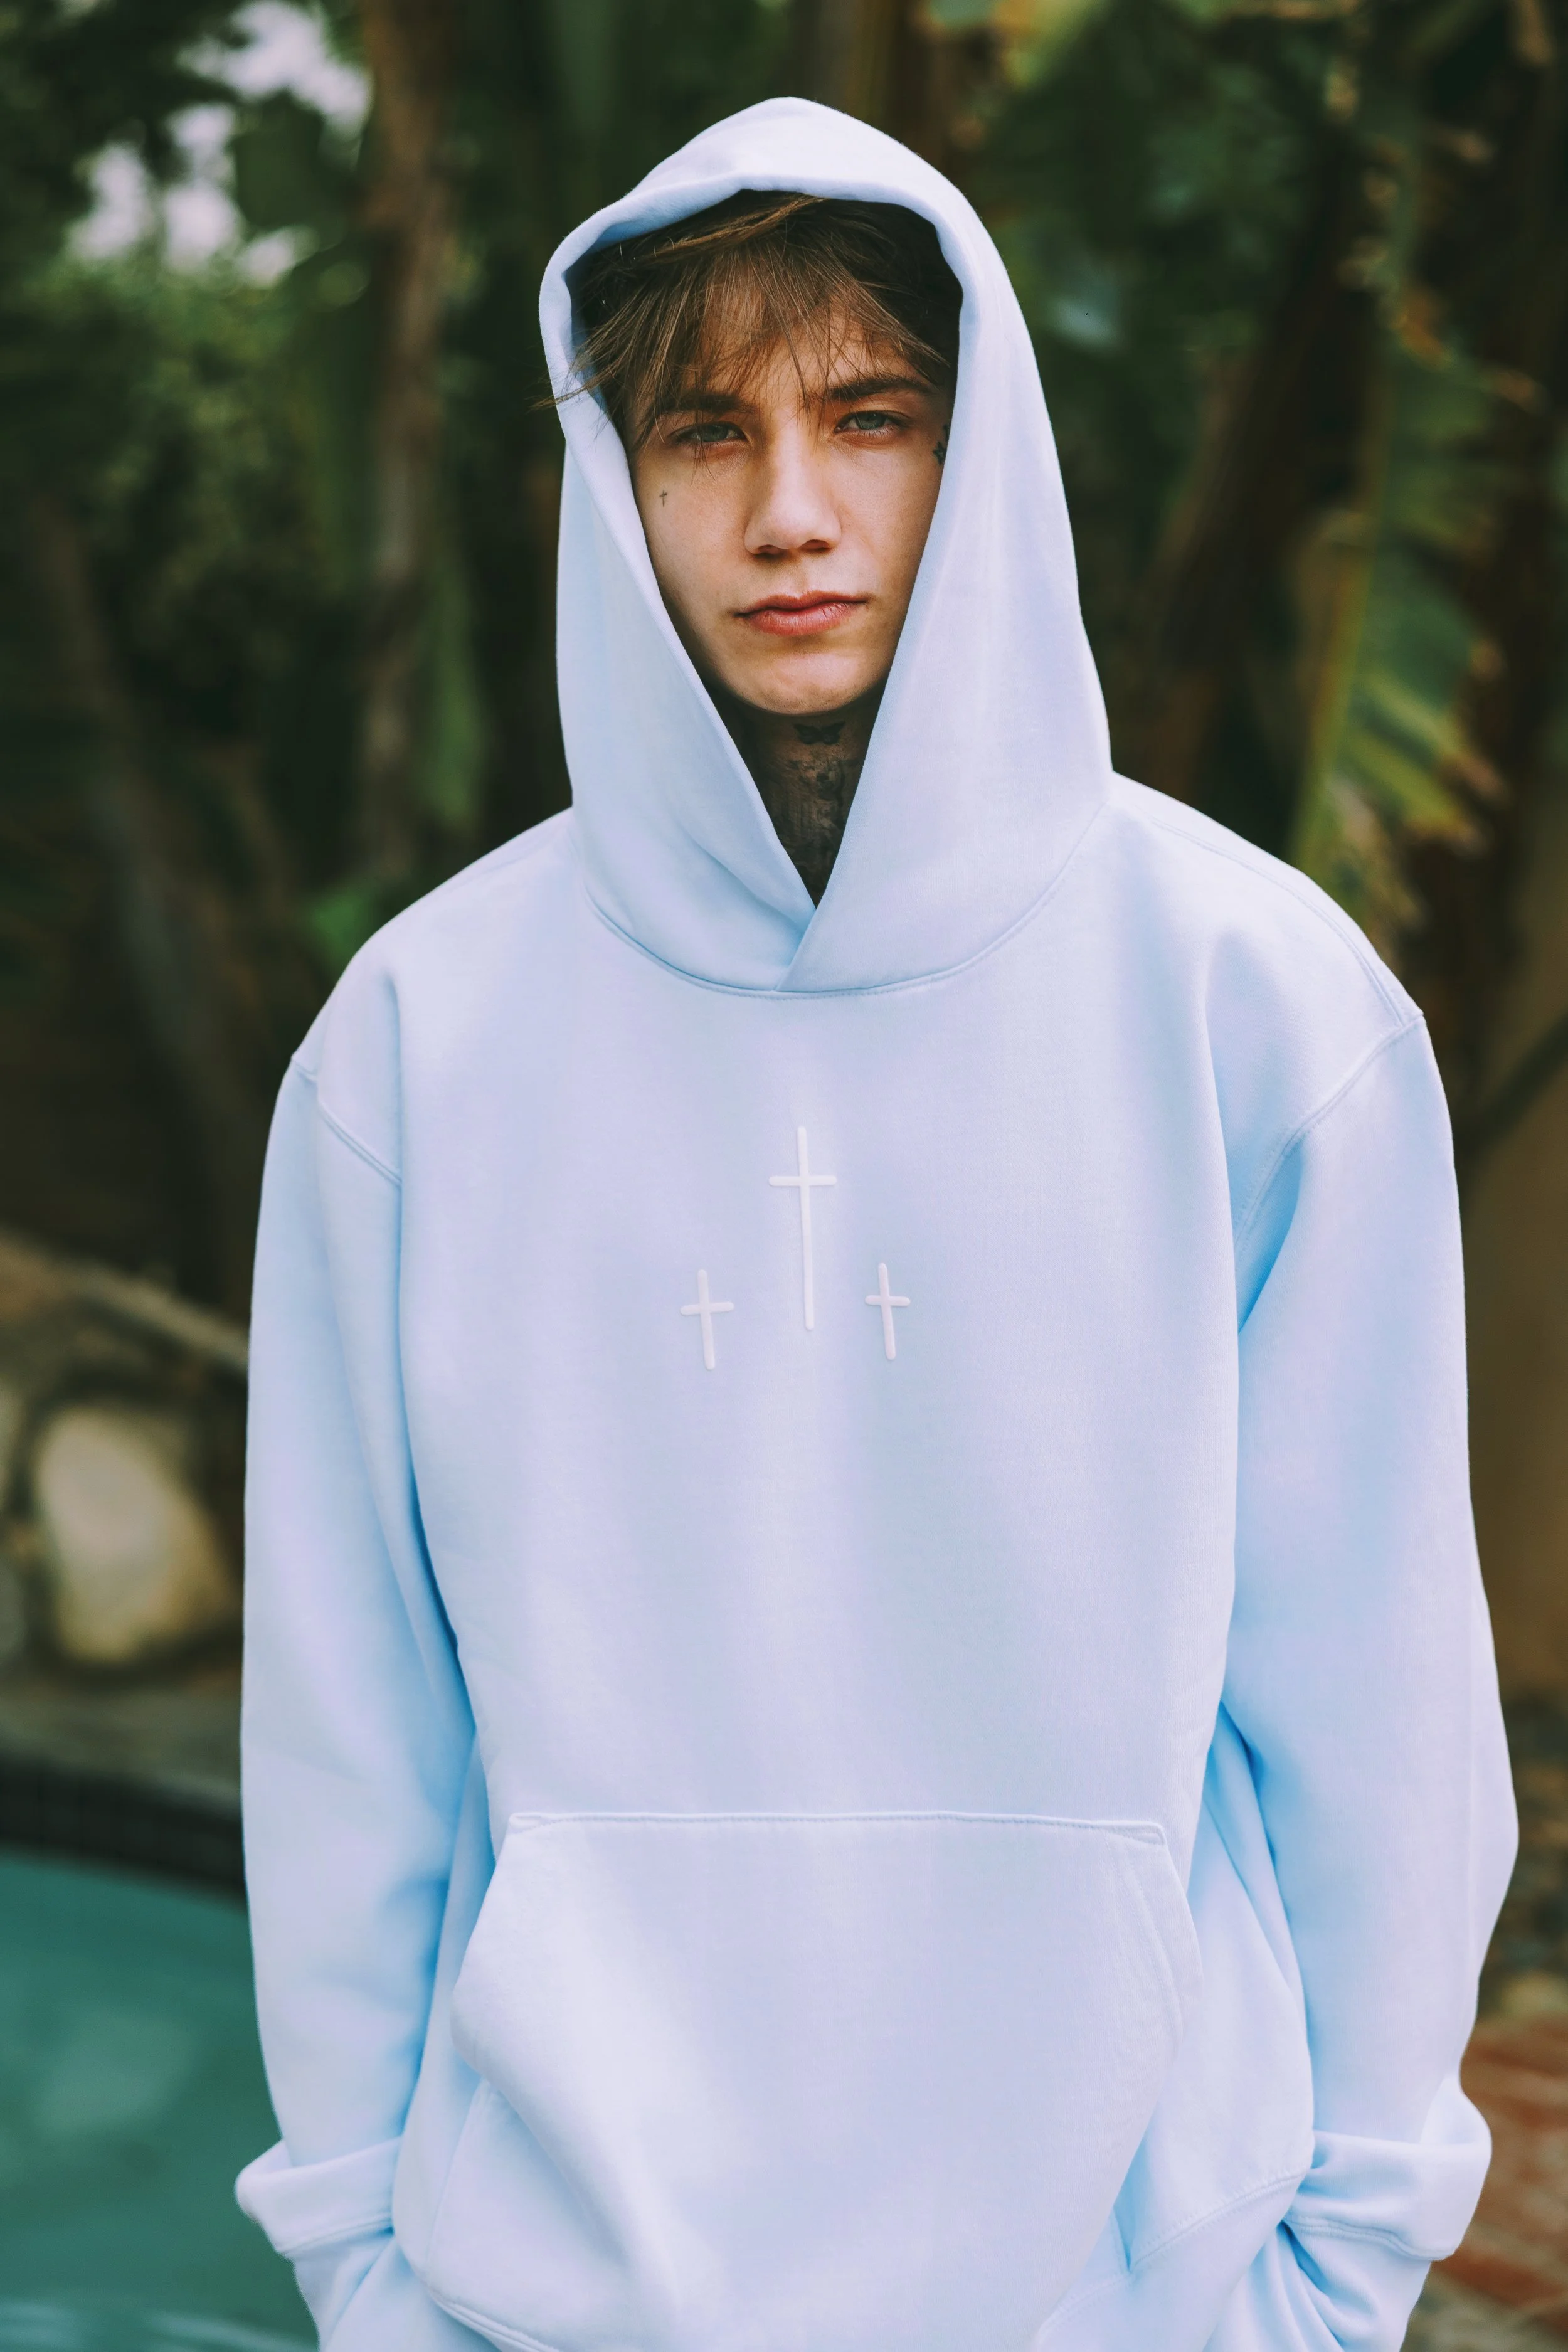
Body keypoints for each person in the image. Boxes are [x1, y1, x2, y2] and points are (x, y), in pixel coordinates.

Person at [235, 99, 1516, 2352]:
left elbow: (1376, 1709)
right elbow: (351, 1730)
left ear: (983, 444)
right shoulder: (419, 1044)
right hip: (551, 2305)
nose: (789, 511)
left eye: (871, 416)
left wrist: (1331, 2276)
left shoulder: (1254, 1001)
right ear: (607, 479)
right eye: (702, 431)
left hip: (1144, 2306)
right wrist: (369, 2268)